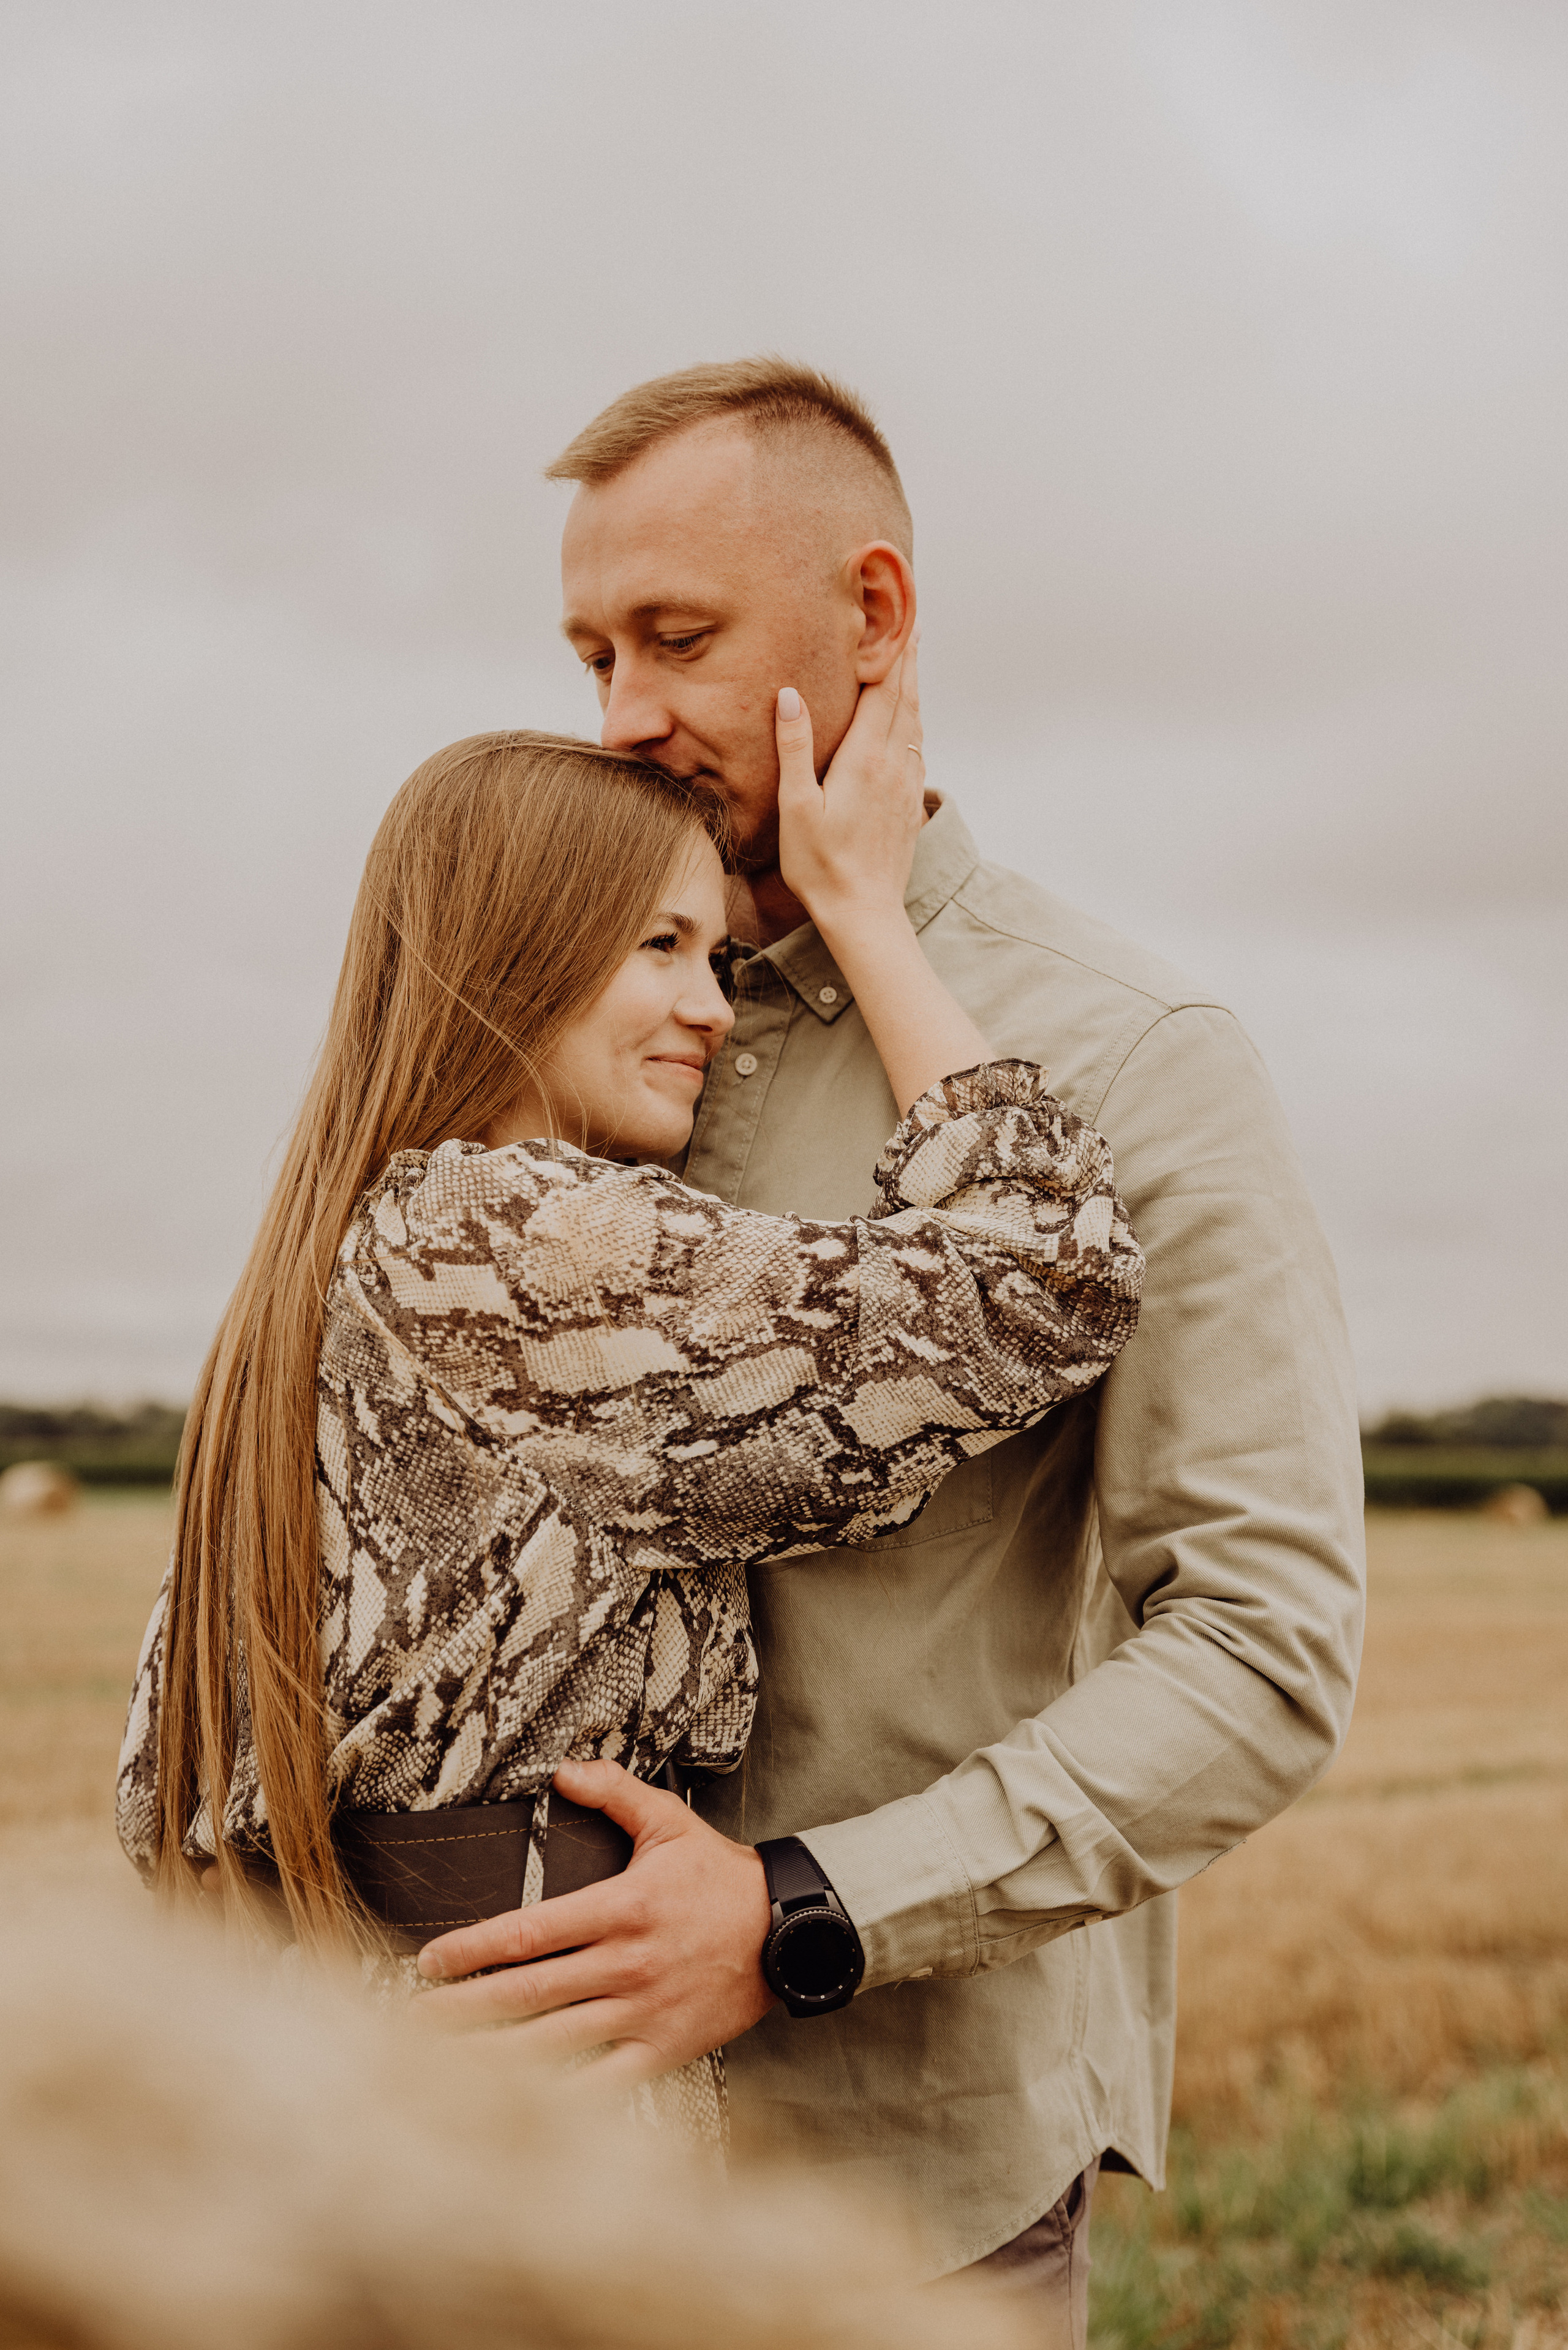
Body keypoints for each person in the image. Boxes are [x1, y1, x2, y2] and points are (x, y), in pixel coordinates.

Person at [410, 360, 1366, 2338]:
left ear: (877, 616)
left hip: (904, 2188)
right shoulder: (565, 1008)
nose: (620, 717)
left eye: (678, 638)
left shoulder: (1136, 1056)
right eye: (590, 649)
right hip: (520, 2176)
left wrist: (804, 1913)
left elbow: (1263, 1641)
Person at [116, 717, 1144, 2146]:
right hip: (529, 2082)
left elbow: (151, 1788)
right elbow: (1044, 1278)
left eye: (716, 957)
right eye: (657, 946)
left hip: (353, 2057)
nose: (715, 1007)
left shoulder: (345, 1245)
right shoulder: (517, 1240)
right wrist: (862, 909)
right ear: (516, 947)